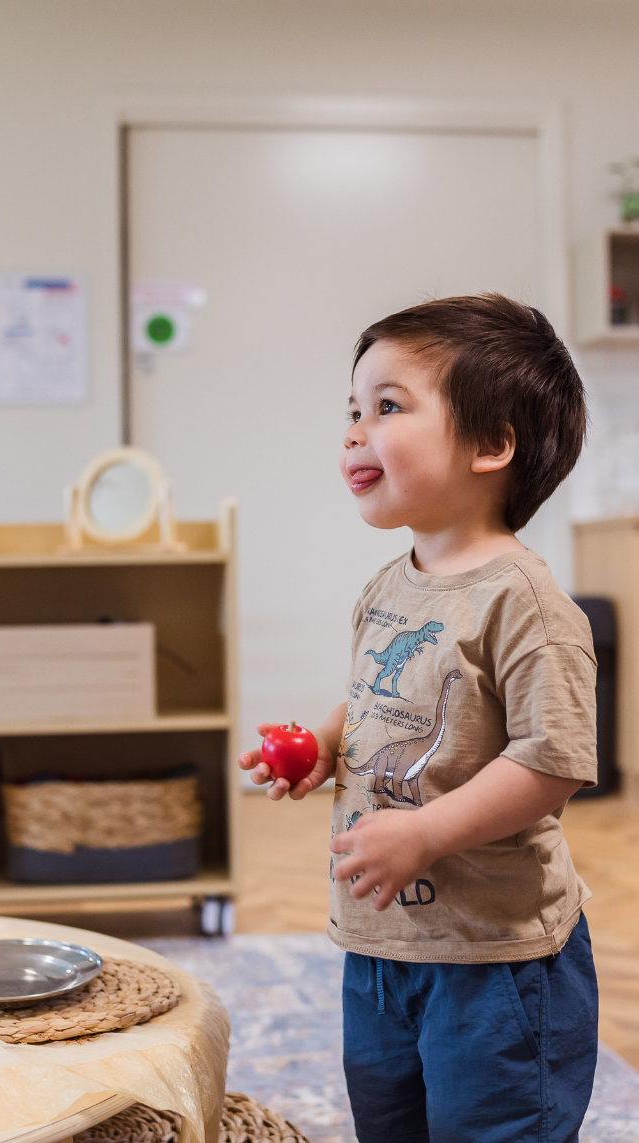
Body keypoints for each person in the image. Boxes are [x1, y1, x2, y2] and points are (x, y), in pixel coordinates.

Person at [238, 295, 598, 1143]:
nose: (355, 431)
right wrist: (326, 741)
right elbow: (378, 697)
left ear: (490, 444)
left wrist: (428, 831)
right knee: (389, 1120)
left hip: (496, 959)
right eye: (353, 410)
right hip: (383, 941)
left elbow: (553, 761)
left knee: (494, 1126)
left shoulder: (527, 603)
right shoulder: (391, 584)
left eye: (388, 407)